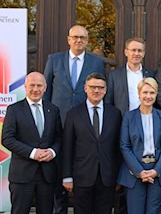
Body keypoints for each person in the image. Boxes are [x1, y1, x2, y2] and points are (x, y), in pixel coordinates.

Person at [43, 25, 105, 214]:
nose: (79, 40)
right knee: (58, 172)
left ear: (87, 41)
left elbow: (100, 90)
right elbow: (47, 93)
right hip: (58, 123)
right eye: (75, 37)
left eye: (83, 38)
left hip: (85, 126)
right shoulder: (54, 60)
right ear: (68, 39)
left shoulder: (96, 62)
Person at [2, 72, 62, 214]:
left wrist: (52, 152)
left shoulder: (53, 110)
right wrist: (33, 152)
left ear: (45, 87)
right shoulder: (14, 109)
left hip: (47, 175)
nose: (35, 89)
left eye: (39, 85)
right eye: (32, 85)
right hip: (22, 175)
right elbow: (7, 139)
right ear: (25, 87)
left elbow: (59, 138)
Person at [62, 73, 122, 214]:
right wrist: (67, 176)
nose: (96, 91)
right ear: (85, 88)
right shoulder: (73, 114)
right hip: (82, 176)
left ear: (105, 90)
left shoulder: (115, 114)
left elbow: (118, 148)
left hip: (107, 177)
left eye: (100, 87)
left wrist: (119, 177)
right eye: (93, 87)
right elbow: (67, 147)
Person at [117, 77, 161, 214]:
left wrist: (156, 170)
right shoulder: (128, 117)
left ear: (156, 94)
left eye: (152, 93)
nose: (148, 96)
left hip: (157, 172)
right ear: (139, 94)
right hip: (134, 173)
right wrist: (139, 171)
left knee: (154, 211)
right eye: (145, 92)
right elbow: (124, 145)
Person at [106, 37, 155, 115]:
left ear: (143, 53)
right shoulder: (114, 75)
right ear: (126, 52)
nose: (136, 53)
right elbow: (108, 101)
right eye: (133, 50)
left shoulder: (151, 74)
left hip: (145, 119)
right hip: (121, 121)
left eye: (139, 51)